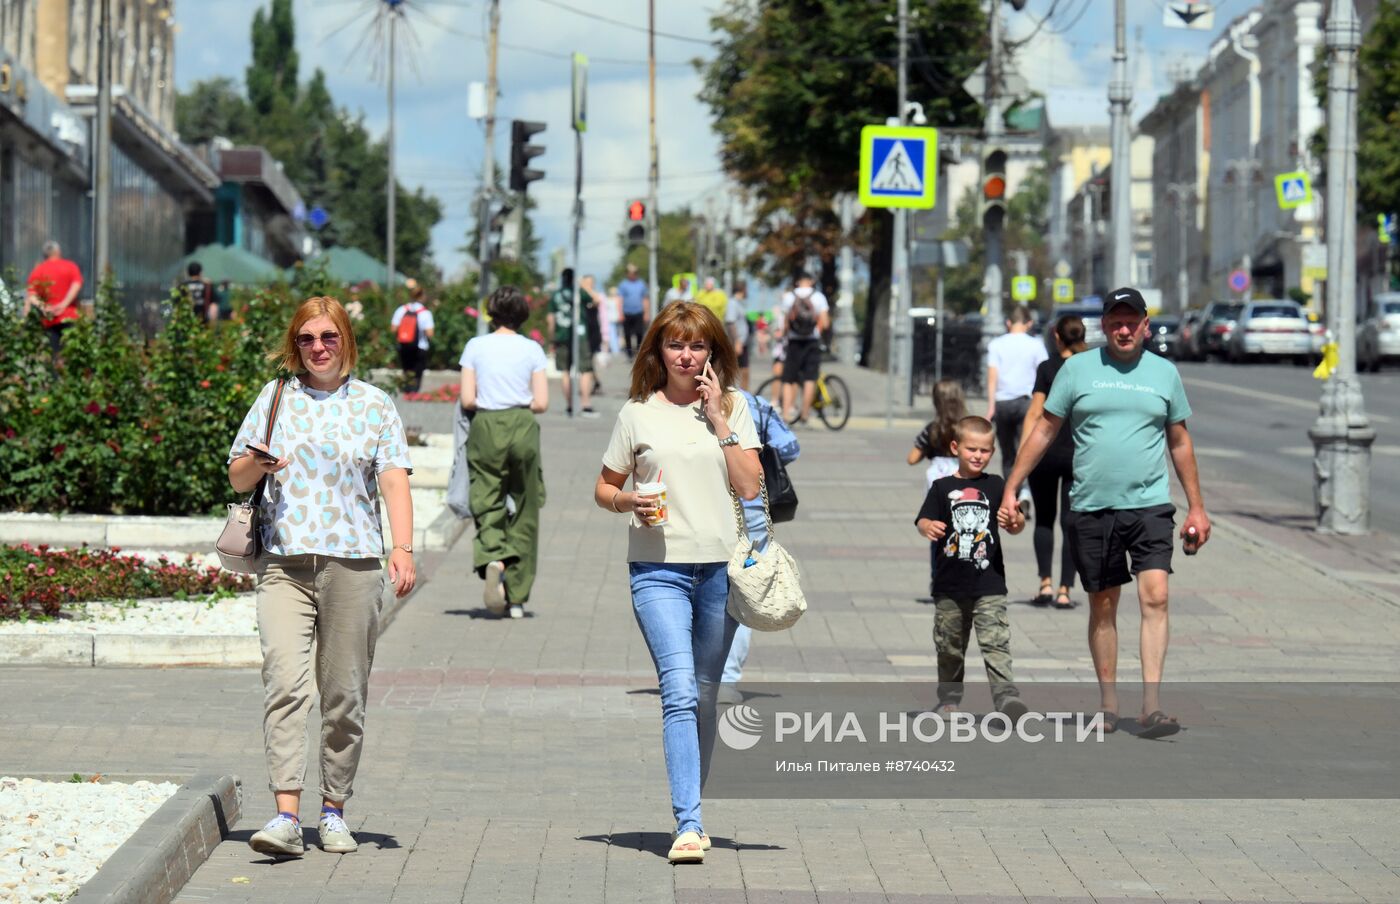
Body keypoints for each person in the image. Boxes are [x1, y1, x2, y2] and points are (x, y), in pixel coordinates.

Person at [227, 295, 416, 858]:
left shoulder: (375, 405)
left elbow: (394, 480)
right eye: (307, 338)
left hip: (353, 564)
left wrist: (401, 548)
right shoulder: (275, 397)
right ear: (295, 344)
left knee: (343, 696)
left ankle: (333, 810)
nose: (318, 347)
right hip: (283, 563)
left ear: (346, 342)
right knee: (284, 686)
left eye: (328, 337)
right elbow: (238, 477)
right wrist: (256, 464)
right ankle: (286, 816)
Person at [1000, 287, 1211, 739]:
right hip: (1092, 505)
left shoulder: (1164, 373)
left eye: (1131, 320)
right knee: (1104, 604)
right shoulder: (1077, 370)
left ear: (1145, 325)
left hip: (1150, 504)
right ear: (1104, 326)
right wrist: (1012, 485)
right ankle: (1109, 703)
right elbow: (1044, 430)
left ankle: (1151, 706)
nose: (1124, 328)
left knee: (1156, 596)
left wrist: (1196, 506)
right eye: (1116, 320)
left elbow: (1179, 441)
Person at [594, 301, 761, 865]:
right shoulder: (636, 414)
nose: (686, 356)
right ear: (658, 352)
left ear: (713, 353)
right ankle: (688, 823)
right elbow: (604, 486)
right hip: (657, 568)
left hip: (721, 572)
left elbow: (751, 488)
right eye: (675, 345)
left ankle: (693, 807)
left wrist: (719, 421)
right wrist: (626, 500)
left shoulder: (735, 408)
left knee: (708, 695)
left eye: (697, 346)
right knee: (680, 690)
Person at [915, 416, 1028, 719]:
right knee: (950, 646)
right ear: (956, 448)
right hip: (949, 586)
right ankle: (949, 698)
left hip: (989, 585)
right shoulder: (941, 487)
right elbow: (922, 519)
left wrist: (1014, 521)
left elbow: (1015, 522)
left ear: (993, 452)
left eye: (985, 450)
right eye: (971, 449)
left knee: (996, 643)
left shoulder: (996, 485)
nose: (978, 456)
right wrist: (928, 526)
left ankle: (1006, 698)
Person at [460, 286, 550, 619]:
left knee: (487, 499)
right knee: (525, 506)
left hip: (486, 424)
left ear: (491, 313)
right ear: (522, 314)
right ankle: (518, 597)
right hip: (522, 424)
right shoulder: (532, 349)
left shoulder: (475, 347)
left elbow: (468, 399)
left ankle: (493, 559)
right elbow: (541, 403)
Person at [718, 385, 800, 703]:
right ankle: (725, 680)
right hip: (751, 518)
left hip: (706, 516)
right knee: (743, 596)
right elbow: (790, 447)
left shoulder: (680, 400)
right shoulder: (754, 403)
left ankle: (698, 675)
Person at [1020, 315, 1088, 609]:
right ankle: (1064, 591)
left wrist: (1024, 454)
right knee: (1071, 523)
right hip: (1079, 456)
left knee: (1044, 520)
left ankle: (1045, 584)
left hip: (1046, 455)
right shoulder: (1089, 369)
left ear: (1057, 338)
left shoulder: (1048, 368)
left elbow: (1035, 413)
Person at [985, 306, 1047, 515]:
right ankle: (1026, 492)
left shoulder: (996, 344)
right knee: (1027, 450)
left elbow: (992, 376)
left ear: (1008, 323)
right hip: (1027, 403)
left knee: (1008, 453)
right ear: (1029, 323)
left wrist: (991, 405)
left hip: (1003, 403)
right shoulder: (1036, 344)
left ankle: (1011, 495)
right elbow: (1043, 373)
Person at [908, 379, 967, 597]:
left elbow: (912, 458)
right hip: (962, 483)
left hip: (937, 485)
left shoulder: (932, 429)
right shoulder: (966, 429)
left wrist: (926, 449)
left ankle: (938, 577)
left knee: (936, 529)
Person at [775, 272, 830, 424]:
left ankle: (786, 414)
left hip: (794, 342)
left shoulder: (789, 297)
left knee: (788, 379)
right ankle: (805, 414)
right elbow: (825, 323)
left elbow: (785, 323)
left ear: (798, 281)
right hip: (811, 341)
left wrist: (787, 335)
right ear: (811, 281)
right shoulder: (818, 297)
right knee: (810, 378)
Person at [547, 268, 597, 417]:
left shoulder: (555, 295)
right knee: (585, 370)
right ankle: (585, 404)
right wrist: (585, 286)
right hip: (579, 334)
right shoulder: (579, 292)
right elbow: (596, 300)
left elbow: (551, 319)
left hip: (562, 335)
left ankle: (569, 405)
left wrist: (552, 338)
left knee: (565, 372)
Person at [23, 240, 83, 358]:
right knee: (74, 354)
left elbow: (31, 294)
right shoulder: (70, 266)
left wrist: (45, 307)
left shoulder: (38, 270)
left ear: (45, 255)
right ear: (58, 252)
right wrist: (64, 304)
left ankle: (55, 375)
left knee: (53, 355)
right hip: (70, 316)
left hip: (49, 319)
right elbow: (77, 284)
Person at [391, 282, 435, 393]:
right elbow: (430, 333)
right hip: (420, 346)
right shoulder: (425, 313)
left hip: (404, 345)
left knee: (407, 370)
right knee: (418, 372)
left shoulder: (401, 310)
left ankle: (406, 390)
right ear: (422, 296)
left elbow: (393, 329)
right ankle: (414, 393)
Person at [618, 263, 649, 358]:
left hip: (638, 312)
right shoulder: (623, 284)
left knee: (639, 332)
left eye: (634, 272)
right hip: (627, 312)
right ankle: (629, 352)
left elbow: (645, 299)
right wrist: (620, 313)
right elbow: (620, 300)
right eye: (630, 272)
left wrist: (646, 313)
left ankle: (638, 351)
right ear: (627, 273)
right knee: (627, 334)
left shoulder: (641, 284)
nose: (632, 274)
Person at [725, 281, 751, 391]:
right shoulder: (732, 303)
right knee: (733, 370)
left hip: (742, 342)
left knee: (744, 371)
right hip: (737, 342)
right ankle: (733, 395)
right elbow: (730, 323)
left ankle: (744, 396)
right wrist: (736, 341)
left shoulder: (739, 303)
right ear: (742, 290)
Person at [604, 284, 624, 355]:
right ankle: (615, 349)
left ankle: (615, 348)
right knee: (616, 334)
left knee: (614, 334)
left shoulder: (609, 299)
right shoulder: (617, 299)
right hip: (613, 318)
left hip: (612, 318)